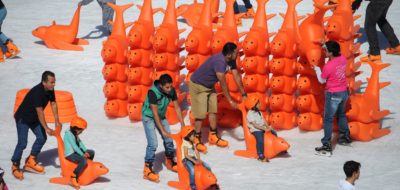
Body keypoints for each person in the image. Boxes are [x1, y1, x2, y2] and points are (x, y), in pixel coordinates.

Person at [189, 42, 247, 153]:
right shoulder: (220, 62)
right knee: (200, 114)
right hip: (198, 85)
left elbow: (236, 76)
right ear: (229, 54)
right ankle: (196, 139)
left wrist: (243, 94)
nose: (238, 54)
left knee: (213, 110)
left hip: (208, 85)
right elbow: (223, 83)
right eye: (236, 52)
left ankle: (213, 136)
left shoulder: (230, 60)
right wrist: (230, 100)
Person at [11, 71, 62, 180]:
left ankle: (31, 160)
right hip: (23, 118)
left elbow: (53, 103)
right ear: (44, 82)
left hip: (34, 118)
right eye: (51, 82)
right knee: (22, 143)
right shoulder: (37, 92)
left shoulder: (50, 90)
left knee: (42, 137)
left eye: (54, 82)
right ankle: (15, 165)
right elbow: (40, 112)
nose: (54, 84)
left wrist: (57, 120)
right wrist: (46, 128)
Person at [141, 74, 185, 182]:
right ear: (161, 86)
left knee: (169, 140)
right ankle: (147, 168)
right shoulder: (153, 93)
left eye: (171, 87)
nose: (170, 90)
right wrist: (163, 130)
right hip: (149, 117)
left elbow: (177, 108)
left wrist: (183, 125)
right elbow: (154, 114)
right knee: (153, 143)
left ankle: (169, 161)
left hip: (160, 116)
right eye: (167, 87)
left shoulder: (171, 91)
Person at [314, 41, 352, 156]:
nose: (324, 52)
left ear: (330, 53)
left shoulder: (328, 66)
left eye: (326, 50)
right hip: (344, 92)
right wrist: (324, 44)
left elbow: (322, 80)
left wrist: (316, 69)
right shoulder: (343, 58)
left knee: (328, 119)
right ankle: (345, 136)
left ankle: (326, 144)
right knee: (341, 114)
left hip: (333, 94)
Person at [64, 116, 94, 189]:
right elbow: (74, 146)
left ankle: (88, 168)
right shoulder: (68, 134)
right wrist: (82, 154)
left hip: (76, 152)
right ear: (75, 128)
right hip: (70, 154)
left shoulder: (75, 134)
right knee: (83, 160)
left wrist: (85, 151)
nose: (82, 132)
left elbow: (80, 143)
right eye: (81, 130)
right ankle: (74, 177)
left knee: (92, 152)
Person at [245, 95, 277, 162]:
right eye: (258, 103)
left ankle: (277, 147)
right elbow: (255, 125)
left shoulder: (259, 112)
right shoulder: (250, 113)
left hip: (262, 127)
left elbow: (264, 121)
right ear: (253, 104)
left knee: (274, 132)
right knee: (260, 140)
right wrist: (264, 129)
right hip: (256, 129)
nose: (260, 104)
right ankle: (261, 155)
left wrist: (268, 127)